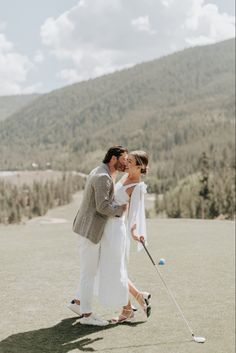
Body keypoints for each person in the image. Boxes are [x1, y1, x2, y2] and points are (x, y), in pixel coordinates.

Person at [68, 146, 128, 326]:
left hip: (86, 228)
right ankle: (87, 315)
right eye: (123, 159)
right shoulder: (103, 177)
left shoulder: (100, 171)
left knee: (90, 271)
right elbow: (102, 207)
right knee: (89, 273)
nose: (125, 162)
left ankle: (79, 305)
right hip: (90, 231)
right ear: (113, 159)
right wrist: (120, 210)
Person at [96, 150, 151, 323]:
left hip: (116, 230)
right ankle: (139, 298)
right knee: (113, 269)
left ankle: (128, 309)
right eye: (126, 160)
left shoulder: (137, 187)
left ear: (139, 166)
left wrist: (135, 232)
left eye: (130, 161)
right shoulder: (124, 178)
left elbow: (134, 213)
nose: (125, 163)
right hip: (108, 227)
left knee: (115, 270)